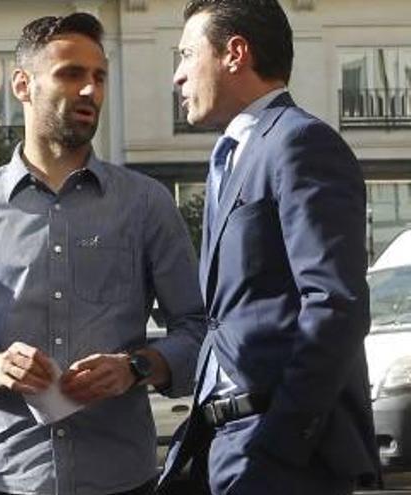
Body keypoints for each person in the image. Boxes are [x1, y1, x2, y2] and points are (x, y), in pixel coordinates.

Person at [0, 13, 205, 495]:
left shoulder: (147, 205)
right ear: (22, 84)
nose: (90, 91)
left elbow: (198, 329)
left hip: (122, 478)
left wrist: (136, 367)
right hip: (9, 477)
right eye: (71, 74)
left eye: (99, 77)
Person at [158, 1, 380, 493]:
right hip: (225, 443)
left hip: (276, 454)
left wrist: (282, 442)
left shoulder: (300, 144)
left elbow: (335, 306)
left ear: (235, 53)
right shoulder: (233, 156)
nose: (177, 76)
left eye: (186, 54)